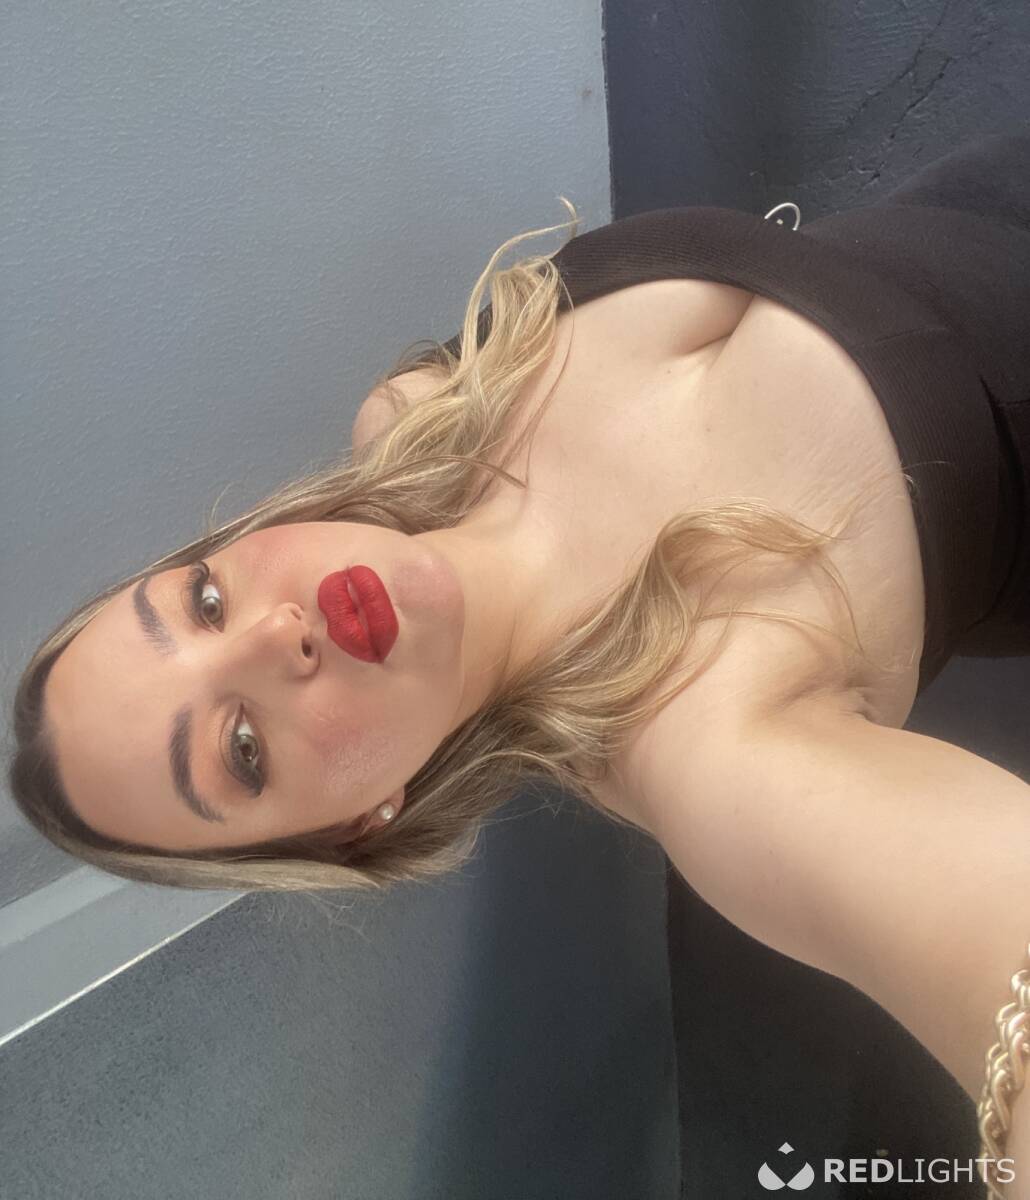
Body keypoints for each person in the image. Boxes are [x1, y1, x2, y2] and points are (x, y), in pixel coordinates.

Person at [8, 129, 1030, 1191]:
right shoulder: (696, 741)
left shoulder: (420, 416)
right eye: (243, 749)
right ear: (358, 823)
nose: (277, 636)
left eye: (206, 601)